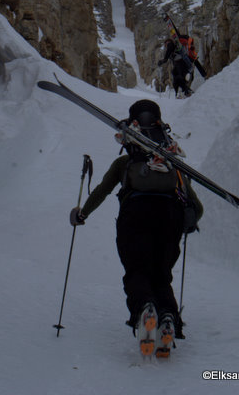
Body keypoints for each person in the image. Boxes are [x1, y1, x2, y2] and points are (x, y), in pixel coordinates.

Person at [70, 99, 203, 357]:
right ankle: (167, 318)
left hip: (135, 216)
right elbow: (196, 207)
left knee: (137, 272)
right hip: (170, 218)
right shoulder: (173, 165)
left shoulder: (126, 164)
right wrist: (187, 223)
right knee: (161, 275)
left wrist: (82, 213)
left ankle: (145, 310)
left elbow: (102, 191)